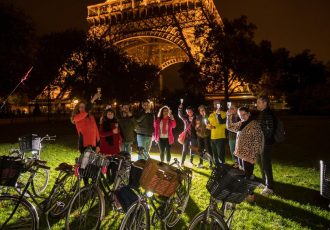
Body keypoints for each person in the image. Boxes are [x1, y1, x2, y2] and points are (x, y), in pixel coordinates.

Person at [226, 106, 264, 201]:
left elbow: (257, 141)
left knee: (248, 176)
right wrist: (229, 116)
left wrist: (253, 156)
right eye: (240, 115)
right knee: (243, 174)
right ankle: (245, 192)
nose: (242, 117)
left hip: (248, 156)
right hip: (240, 154)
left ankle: (250, 195)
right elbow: (229, 127)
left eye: (244, 114)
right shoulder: (241, 123)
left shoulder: (254, 124)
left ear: (249, 113)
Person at [256, 95, 276, 195]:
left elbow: (269, 130)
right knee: (261, 163)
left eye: (259, 102)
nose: (257, 104)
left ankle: (270, 187)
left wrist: (262, 141)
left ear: (265, 103)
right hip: (262, 143)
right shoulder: (263, 113)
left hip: (266, 144)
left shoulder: (267, 113)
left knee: (266, 164)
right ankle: (265, 182)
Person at [207, 101, 227, 166]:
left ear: (220, 105)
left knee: (220, 155)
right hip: (213, 137)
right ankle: (217, 167)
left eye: (218, 104)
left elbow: (225, 125)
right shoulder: (211, 115)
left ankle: (222, 168)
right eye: (215, 104)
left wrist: (215, 126)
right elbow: (208, 125)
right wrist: (208, 126)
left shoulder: (224, 114)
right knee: (214, 154)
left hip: (220, 137)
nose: (216, 105)